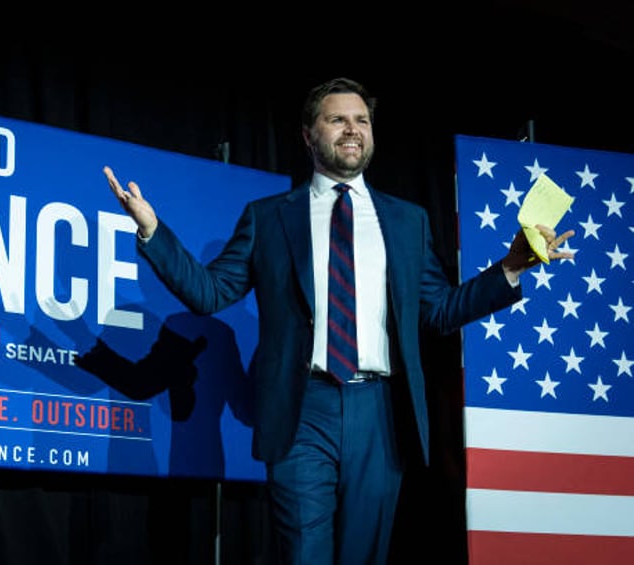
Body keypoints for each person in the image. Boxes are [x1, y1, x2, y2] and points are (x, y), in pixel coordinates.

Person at [102, 77, 574, 565]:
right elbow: (210, 292)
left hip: (380, 414)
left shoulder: (407, 220)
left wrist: (511, 268)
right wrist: (153, 231)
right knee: (305, 554)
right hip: (302, 410)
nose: (353, 129)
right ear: (309, 135)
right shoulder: (268, 218)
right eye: (338, 119)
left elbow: (438, 311)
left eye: (362, 120)